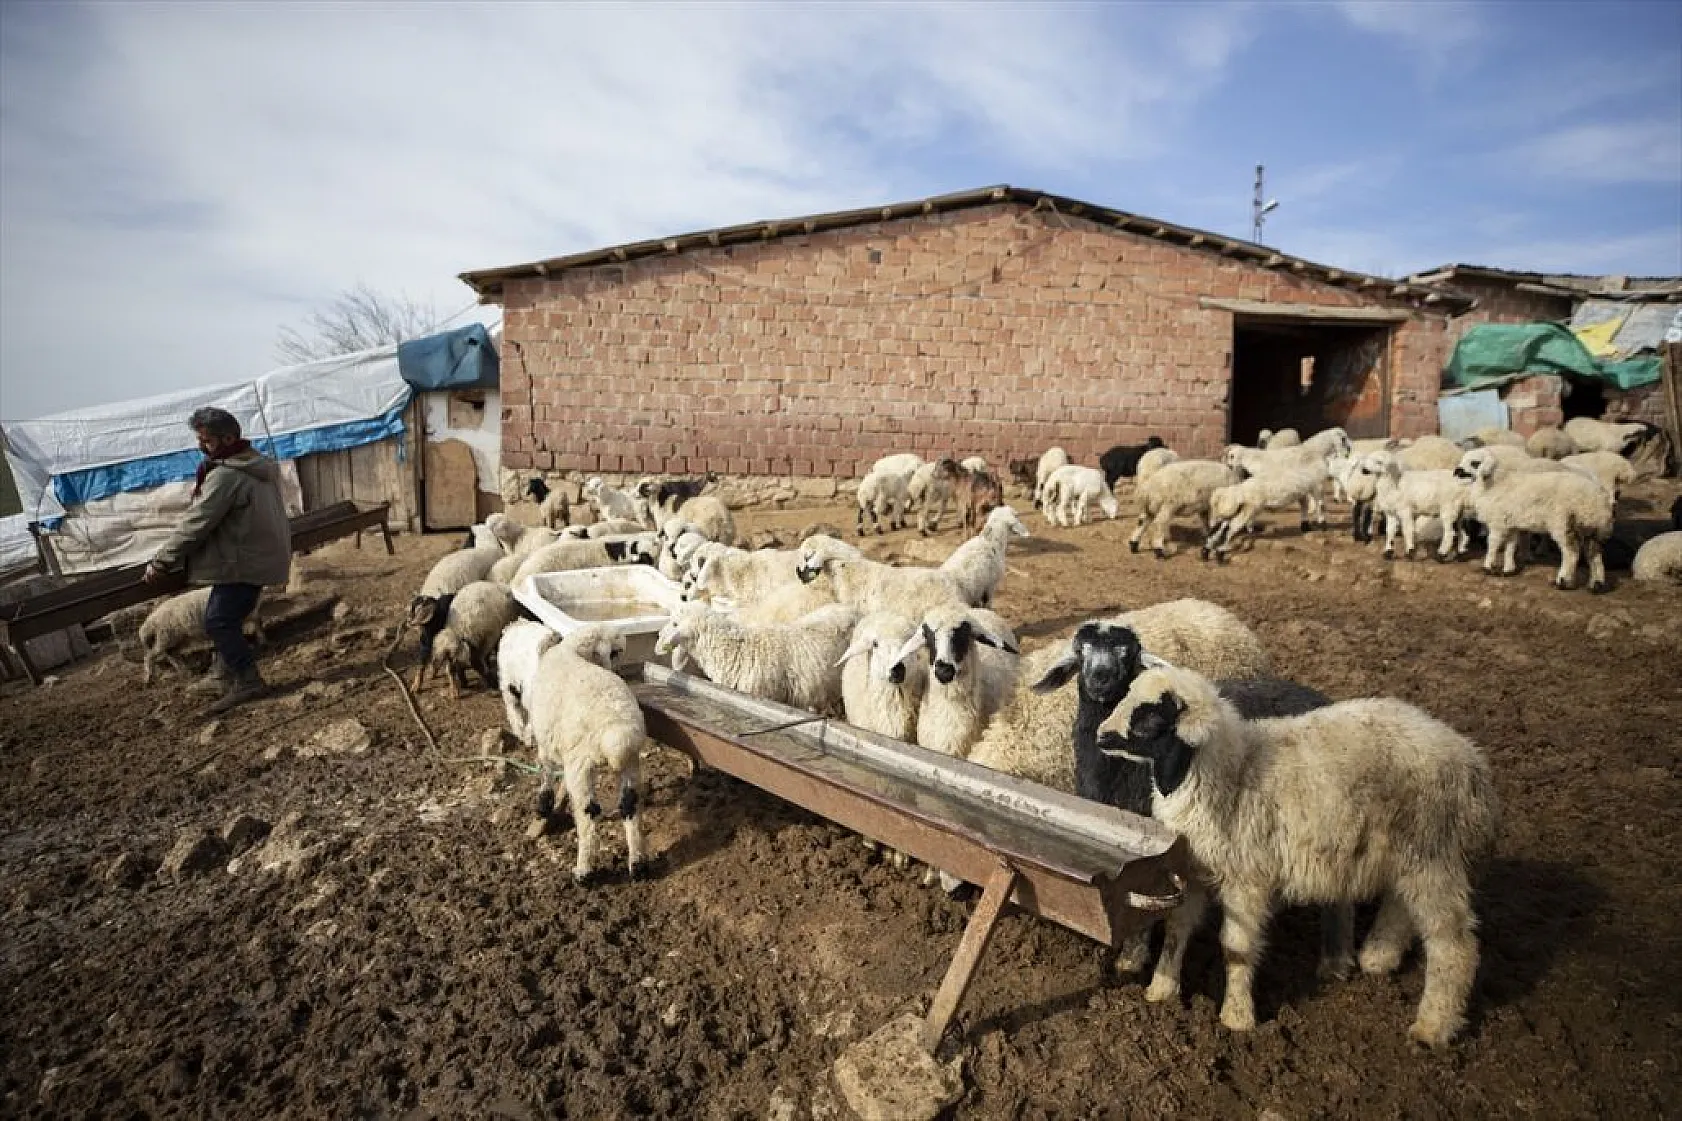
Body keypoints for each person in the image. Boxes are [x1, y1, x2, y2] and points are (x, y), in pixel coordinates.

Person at [143, 407, 291, 713]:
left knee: (219, 620)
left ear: (228, 438)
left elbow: (197, 522)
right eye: (199, 439)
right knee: (224, 615)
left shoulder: (227, 476)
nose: (201, 447)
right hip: (259, 554)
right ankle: (223, 673)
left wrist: (162, 561)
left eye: (207, 441)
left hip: (244, 560)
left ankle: (248, 682)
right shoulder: (255, 465)